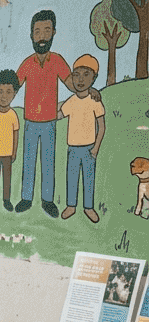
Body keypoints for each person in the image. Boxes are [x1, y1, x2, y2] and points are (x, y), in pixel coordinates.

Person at [15, 9, 99, 217]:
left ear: (53, 32)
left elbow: (72, 84)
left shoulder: (58, 61)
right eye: (37, 32)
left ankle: (47, 200)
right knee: (29, 161)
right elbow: (13, 86)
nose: (42, 37)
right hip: (30, 121)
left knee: (48, 161)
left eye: (46, 31)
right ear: (31, 35)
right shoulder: (27, 63)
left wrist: (90, 90)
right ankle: (26, 198)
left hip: (50, 121)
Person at [58, 54, 106, 223]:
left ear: (94, 78)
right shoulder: (71, 101)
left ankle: (88, 207)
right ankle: (71, 206)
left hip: (89, 148)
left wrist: (96, 148)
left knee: (89, 179)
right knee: (72, 177)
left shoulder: (95, 101)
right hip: (73, 148)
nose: (80, 79)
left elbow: (102, 127)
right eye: (76, 75)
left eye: (86, 75)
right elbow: (59, 114)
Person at [0, 69, 21, 210]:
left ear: (14, 94)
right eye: (0, 92)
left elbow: (16, 134)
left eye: (8, 92)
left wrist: (14, 152)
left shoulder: (13, 115)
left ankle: (7, 200)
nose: (4, 96)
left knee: (7, 178)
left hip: (8, 154)